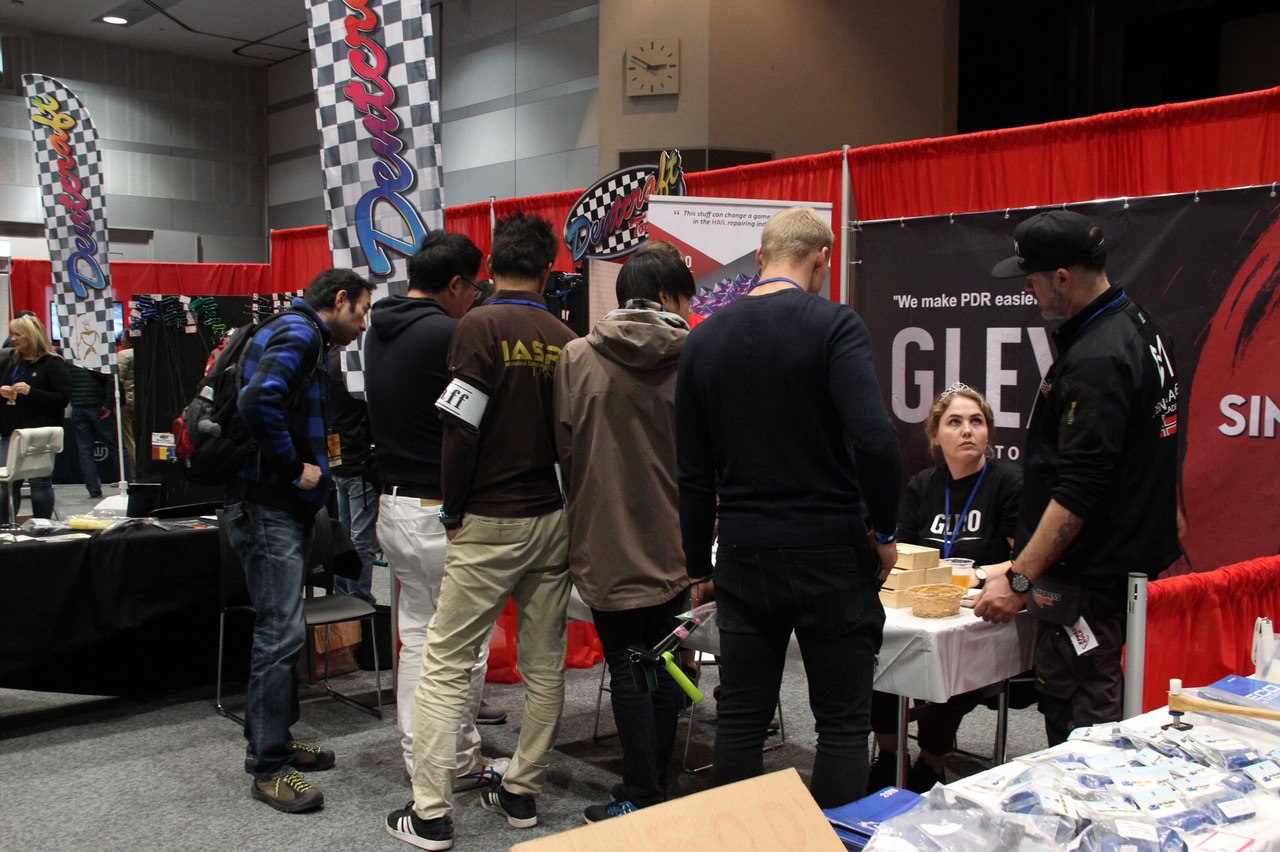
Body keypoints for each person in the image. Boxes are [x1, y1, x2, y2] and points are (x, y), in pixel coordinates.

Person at [676, 206, 903, 808]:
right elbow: (876, 439)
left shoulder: (703, 339)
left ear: (760, 258)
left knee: (742, 717)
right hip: (831, 546)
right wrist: (885, 531)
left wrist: (698, 566)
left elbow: (692, 474)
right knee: (843, 723)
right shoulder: (835, 325)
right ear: (823, 259)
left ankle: (738, 842)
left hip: (744, 549)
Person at [386, 213, 576, 850]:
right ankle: (521, 789)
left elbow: (459, 428)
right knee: (544, 665)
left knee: (445, 661)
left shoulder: (477, 326)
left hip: (489, 519)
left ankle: (431, 813)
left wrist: (453, 508)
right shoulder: (566, 337)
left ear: (491, 268)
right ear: (547, 270)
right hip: (551, 517)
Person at [977, 210, 1180, 745]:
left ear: (1062, 278)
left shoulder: (1097, 357)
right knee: (1098, 712)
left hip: (1089, 581)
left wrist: (1018, 581)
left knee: (1081, 732)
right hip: (1118, 569)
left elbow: (1079, 490)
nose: (1028, 290)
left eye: (1032, 280)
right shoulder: (1139, 325)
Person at [364, 230, 509, 794]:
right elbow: (471, 425)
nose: (475, 298)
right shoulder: (451, 334)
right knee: (461, 647)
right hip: (440, 511)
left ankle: (421, 756)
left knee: (420, 639)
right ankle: (457, 762)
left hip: (396, 506)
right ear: (455, 284)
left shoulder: (379, 330)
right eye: (473, 288)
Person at [554, 245, 695, 823]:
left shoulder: (577, 356)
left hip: (604, 535)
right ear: (665, 296)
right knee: (665, 662)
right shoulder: (694, 357)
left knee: (629, 665)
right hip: (677, 538)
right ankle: (654, 780)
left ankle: (641, 791)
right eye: (684, 296)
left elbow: (565, 449)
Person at [224, 268, 372, 813]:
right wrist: (294, 468)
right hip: (270, 505)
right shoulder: (301, 332)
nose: (363, 324)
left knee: (281, 632)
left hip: (275, 506)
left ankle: (278, 743)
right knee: (280, 634)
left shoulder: (297, 332)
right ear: (340, 300)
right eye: (362, 311)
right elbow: (258, 402)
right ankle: (269, 768)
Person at [867, 384, 1022, 792]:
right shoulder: (923, 484)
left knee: (944, 663)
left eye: (977, 421)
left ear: (989, 432)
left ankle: (932, 761)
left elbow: (1023, 558)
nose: (967, 430)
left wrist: (979, 575)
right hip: (923, 605)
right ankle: (890, 755)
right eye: (955, 422)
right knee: (878, 649)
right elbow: (903, 549)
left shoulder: (1008, 482)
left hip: (977, 611)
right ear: (936, 436)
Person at [0, 315, 71, 523]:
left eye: (19, 334)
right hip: (11, 432)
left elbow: (62, 399)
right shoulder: (10, 361)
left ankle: (42, 526)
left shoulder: (52, 363)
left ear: (31, 335)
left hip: (40, 433)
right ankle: (5, 528)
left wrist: (32, 392)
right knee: (7, 483)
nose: (14, 339)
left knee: (40, 483)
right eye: (13, 334)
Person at [326, 348, 378, 606]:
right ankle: (358, 599)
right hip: (358, 460)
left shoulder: (326, 360)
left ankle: (345, 595)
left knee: (345, 534)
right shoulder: (354, 361)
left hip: (337, 455)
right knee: (360, 538)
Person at [67, 359, 122, 497]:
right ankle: (127, 483)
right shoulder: (99, 355)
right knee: (117, 446)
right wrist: (108, 404)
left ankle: (93, 488)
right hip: (98, 405)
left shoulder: (71, 355)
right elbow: (111, 378)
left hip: (78, 406)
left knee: (85, 450)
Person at [117, 334, 136, 475]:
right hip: (142, 403)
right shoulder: (143, 352)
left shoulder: (123, 355)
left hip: (127, 402)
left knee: (129, 439)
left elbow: (118, 379)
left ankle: (133, 474)